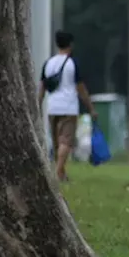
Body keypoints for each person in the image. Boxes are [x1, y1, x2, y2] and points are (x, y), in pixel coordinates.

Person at [38, 30, 97, 183]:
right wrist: (90, 107)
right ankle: (57, 173)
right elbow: (80, 88)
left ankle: (62, 174)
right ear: (70, 44)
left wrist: (38, 105)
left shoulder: (49, 63)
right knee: (66, 141)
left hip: (52, 107)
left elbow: (42, 87)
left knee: (57, 142)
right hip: (68, 107)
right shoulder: (72, 63)